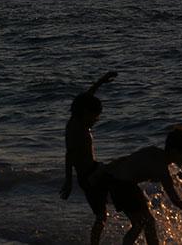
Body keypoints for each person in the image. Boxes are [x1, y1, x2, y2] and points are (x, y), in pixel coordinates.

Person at [98, 127, 182, 245]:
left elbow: (129, 160)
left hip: (118, 181)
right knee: (140, 224)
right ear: (174, 152)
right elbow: (175, 200)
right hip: (122, 185)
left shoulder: (153, 152)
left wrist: (105, 170)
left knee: (147, 222)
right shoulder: (162, 170)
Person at [60, 71, 118, 245]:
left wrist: (100, 82)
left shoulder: (76, 120)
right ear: (85, 112)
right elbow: (69, 156)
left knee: (102, 215)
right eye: (95, 116)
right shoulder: (75, 129)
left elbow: (86, 97)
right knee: (101, 216)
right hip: (89, 177)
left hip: (94, 171)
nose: (96, 120)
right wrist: (69, 181)